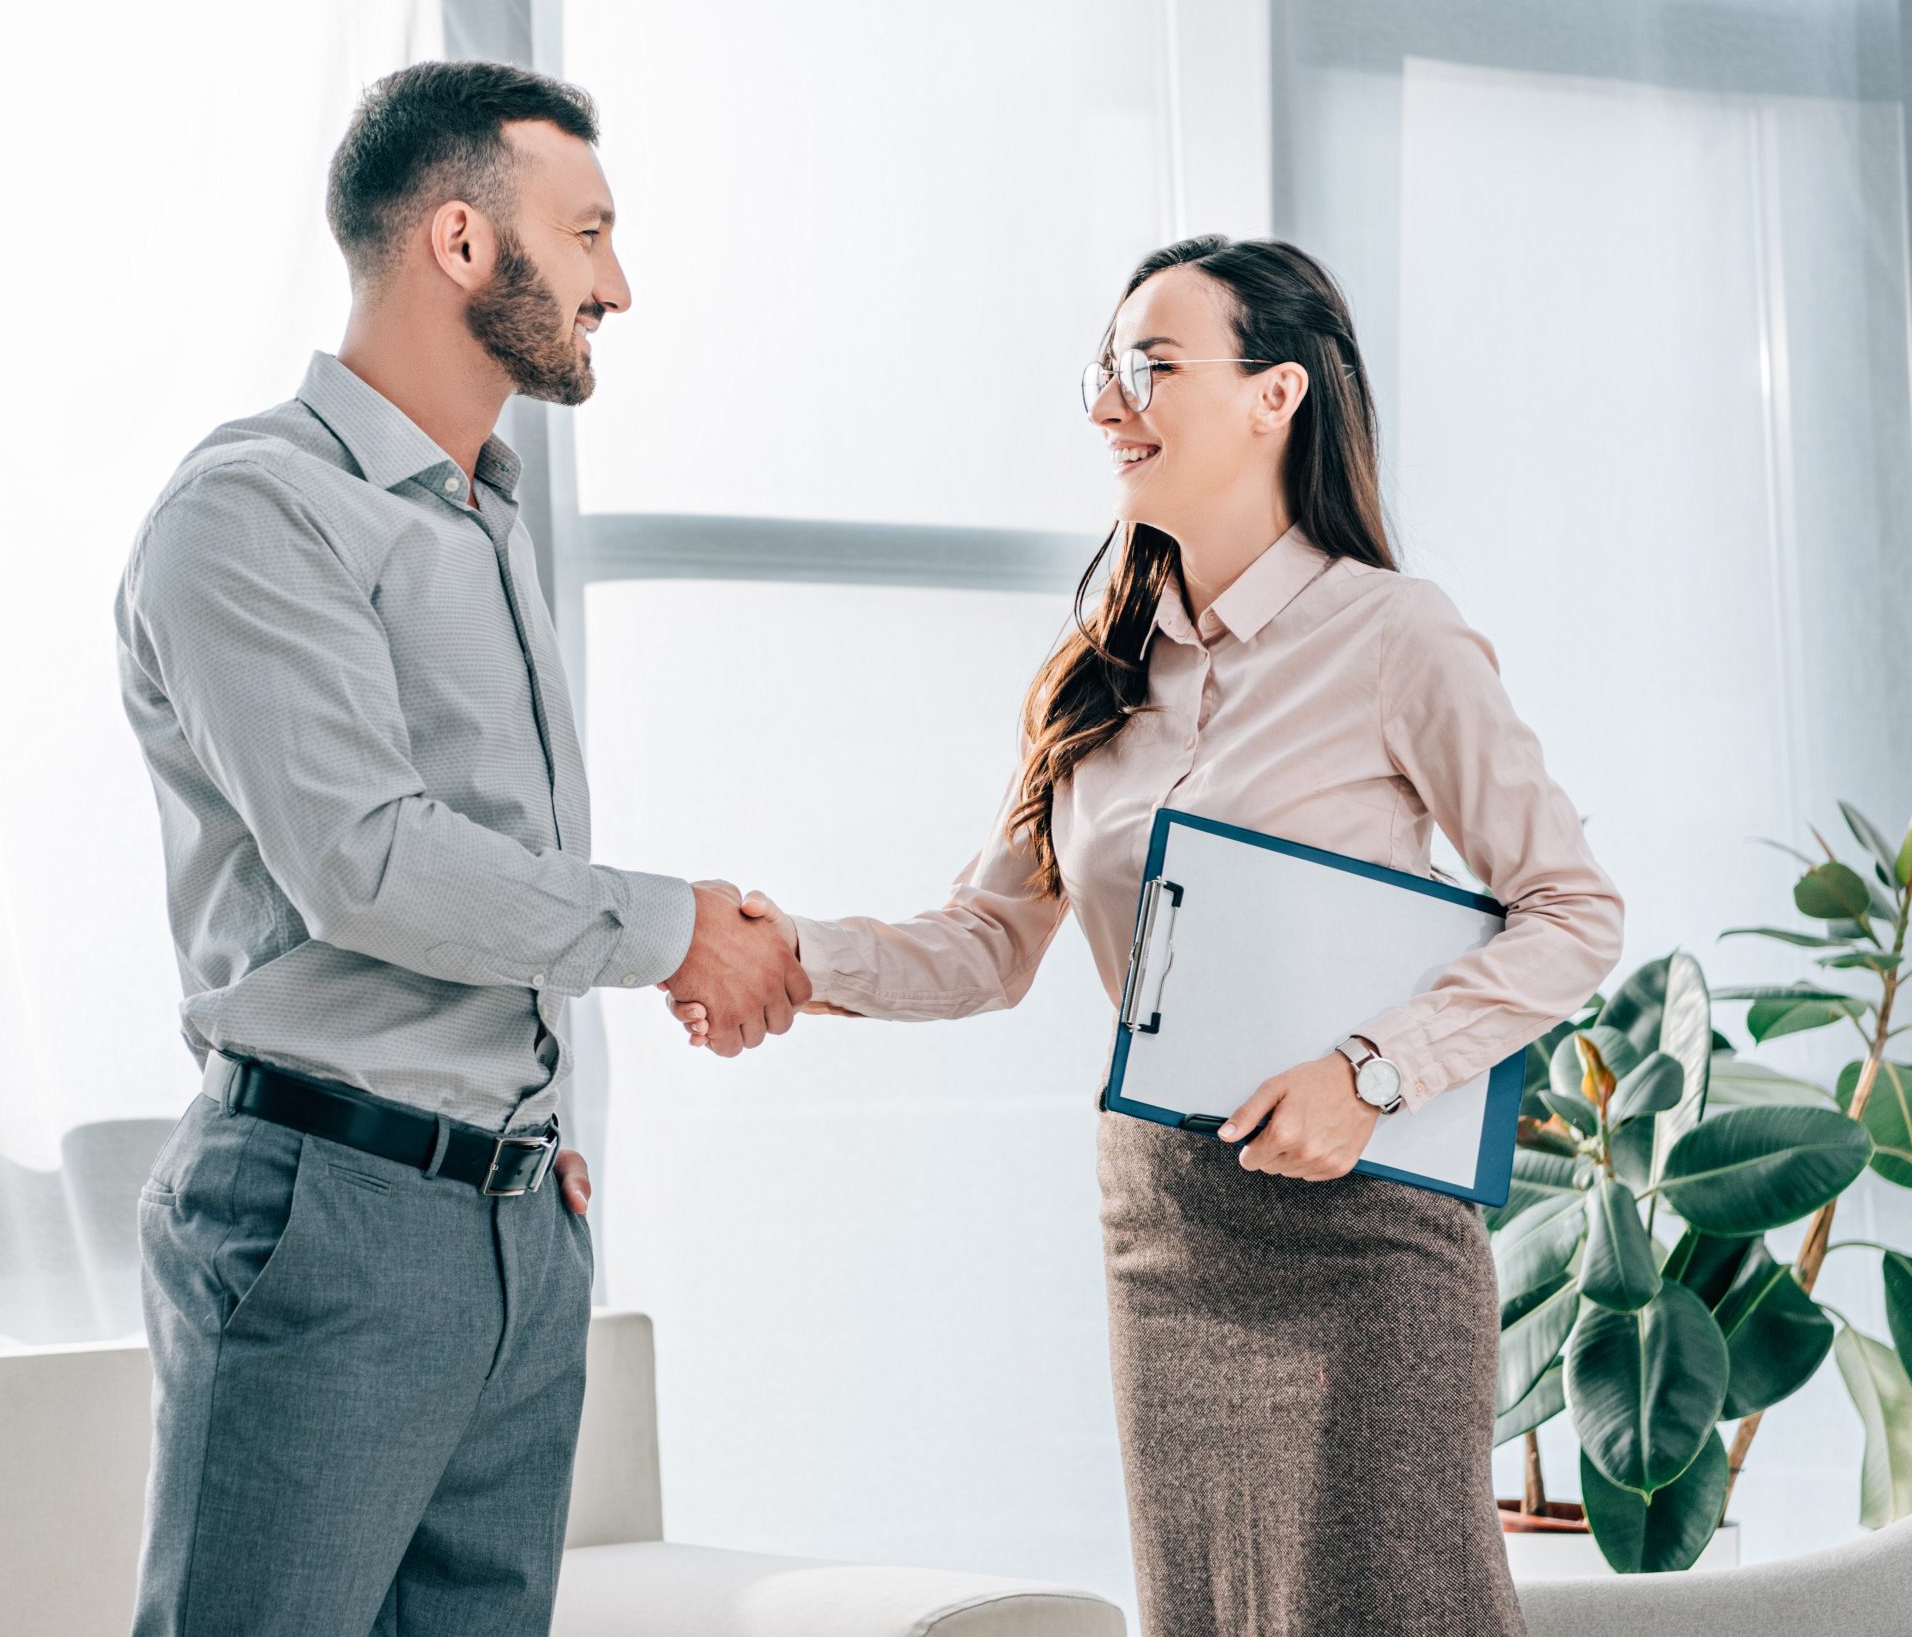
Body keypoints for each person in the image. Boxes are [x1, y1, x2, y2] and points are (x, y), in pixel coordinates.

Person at [669, 235, 1626, 1636]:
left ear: (1275, 394)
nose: (1110, 404)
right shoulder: (1094, 673)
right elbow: (991, 944)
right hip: (1166, 1231)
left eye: (1150, 366)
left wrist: (1368, 1073)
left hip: (1365, 1244)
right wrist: (791, 951)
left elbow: (1574, 912)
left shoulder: (1396, 636)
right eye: (1103, 372)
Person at [111, 60, 806, 1637]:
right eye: (589, 234)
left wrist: (511, 1117)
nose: (616, 285)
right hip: (331, 1221)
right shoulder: (255, 513)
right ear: (461, 243)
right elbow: (366, 862)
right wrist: (674, 929)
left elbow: (488, 879)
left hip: (509, 1225)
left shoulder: (482, 521)